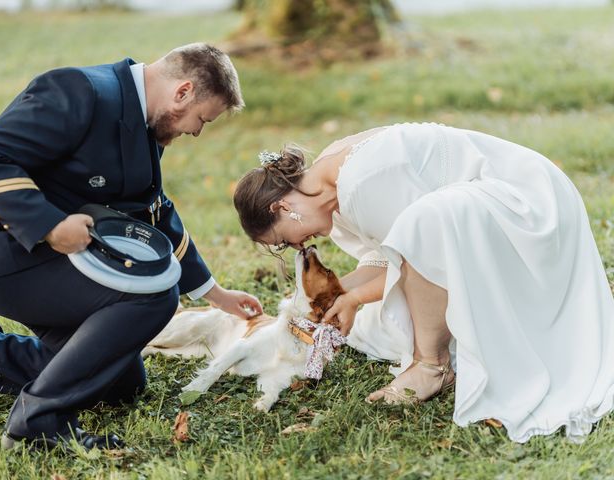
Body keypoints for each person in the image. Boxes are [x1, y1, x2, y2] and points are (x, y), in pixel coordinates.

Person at [233, 122, 614, 443]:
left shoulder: (362, 182)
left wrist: (354, 299)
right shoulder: (334, 187)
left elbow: (418, 250)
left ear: (281, 207)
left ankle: (432, 365)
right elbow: (387, 256)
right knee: (375, 328)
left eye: (284, 239)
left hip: (529, 202)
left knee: (427, 222)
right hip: (479, 212)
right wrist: (338, 297)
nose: (297, 246)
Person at [0, 43, 262, 450]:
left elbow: (153, 212)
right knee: (153, 296)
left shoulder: (146, 123)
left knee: (120, 381)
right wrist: (50, 225)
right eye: (202, 119)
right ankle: (36, 422)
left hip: (51, 260)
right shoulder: (78, 90)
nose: (197, 131)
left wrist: (215, 294)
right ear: (182, 92)